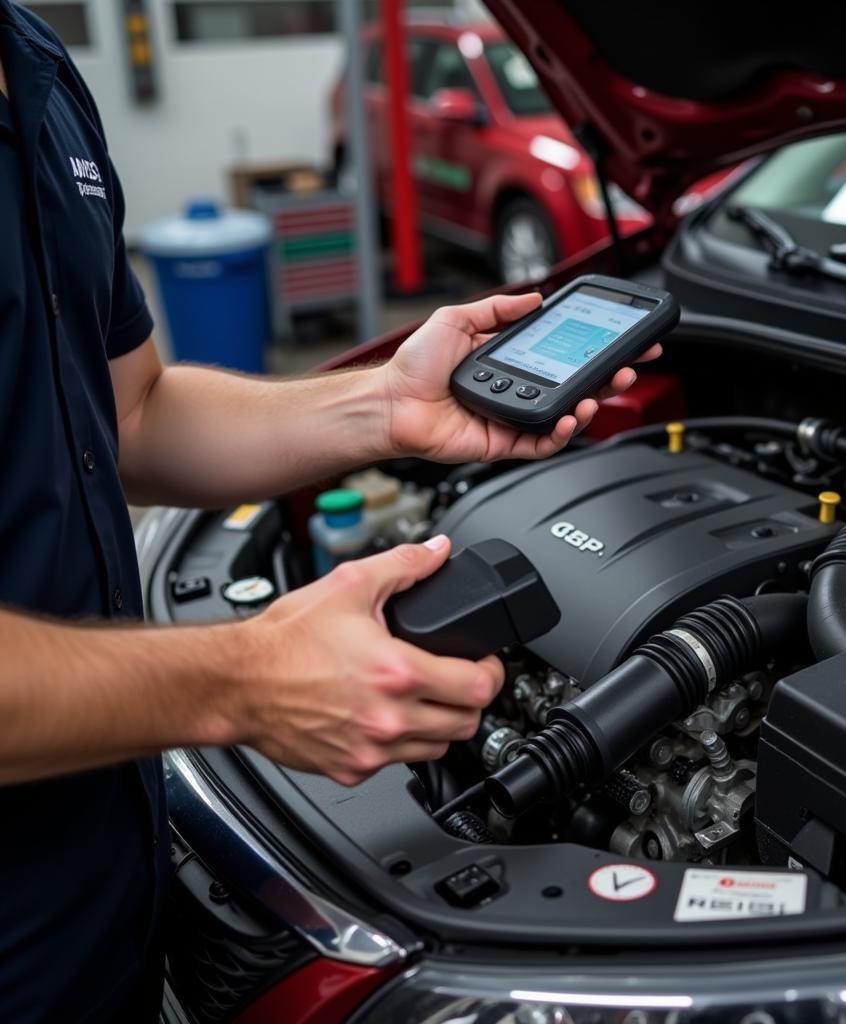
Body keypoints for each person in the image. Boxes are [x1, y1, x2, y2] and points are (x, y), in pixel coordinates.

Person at [0, 2, 661, 1021]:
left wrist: (383, 403)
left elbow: (126, 409)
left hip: (103, 900)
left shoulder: (36, 68)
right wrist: (244, 680)